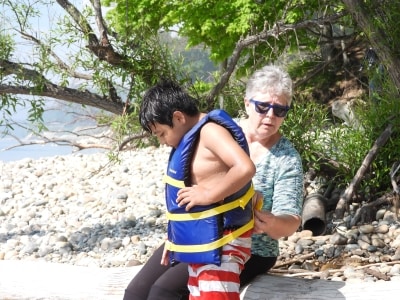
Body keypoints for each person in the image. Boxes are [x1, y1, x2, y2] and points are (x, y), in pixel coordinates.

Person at [123, 65, 303, 299]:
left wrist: (270, 223)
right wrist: (176, 235)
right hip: (198, 232)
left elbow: (291, 222)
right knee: (136, 291)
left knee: (164, 291)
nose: (270, 115)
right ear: (247, 102)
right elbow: (188, 189)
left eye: (280, 110)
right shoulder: (214, 129)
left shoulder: (286, 157)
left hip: (244, 246)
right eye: (263, 107)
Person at [127, 80, 256, 300]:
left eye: (161, 134)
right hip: (202, 243)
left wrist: (209, 194)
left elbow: (245, 167)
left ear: (178, 117)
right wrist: (176, 239)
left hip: (223, 245)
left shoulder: (210, 132)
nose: (162, 142)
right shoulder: (190, 137)